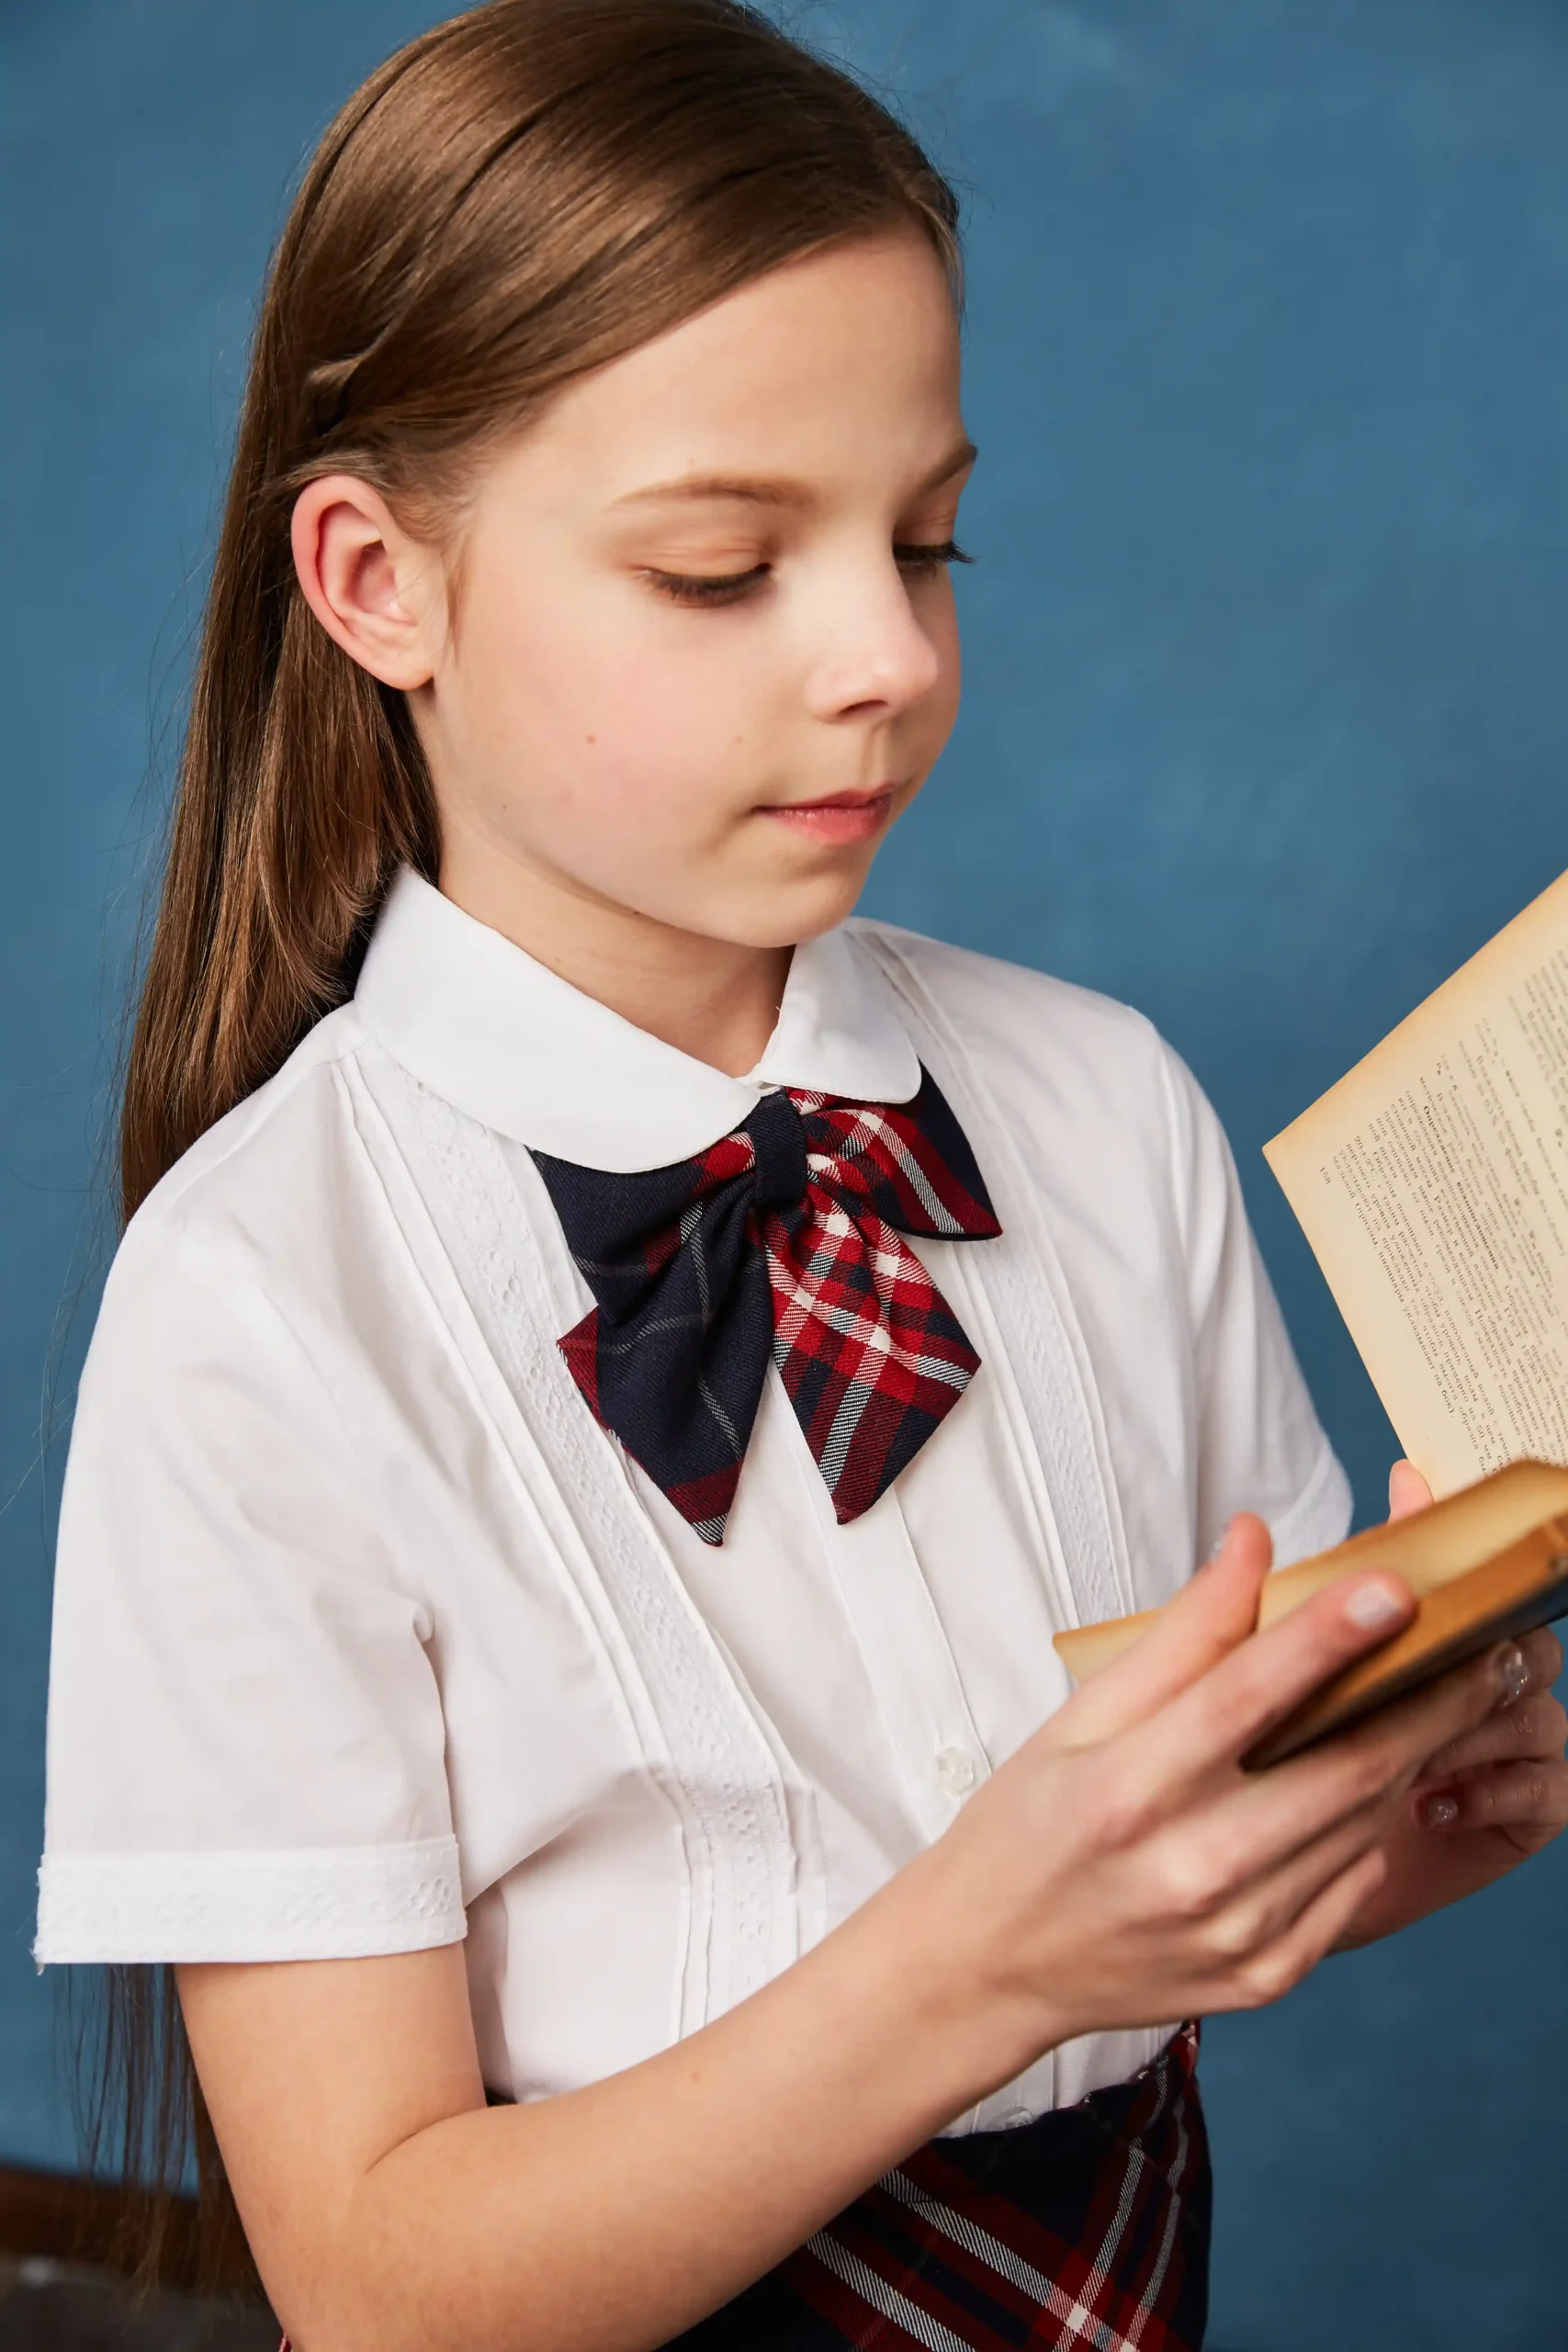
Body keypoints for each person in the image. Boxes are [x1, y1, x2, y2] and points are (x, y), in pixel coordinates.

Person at [34, 4, 1568, 2347]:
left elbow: (1158, 1884)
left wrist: (1378, 1817)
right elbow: (374, 2282)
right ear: (377, 585)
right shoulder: (256, 1296)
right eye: (724, 565)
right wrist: (978, 1954)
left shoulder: (1098, 1100)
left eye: (926, 538)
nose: (884, 655)